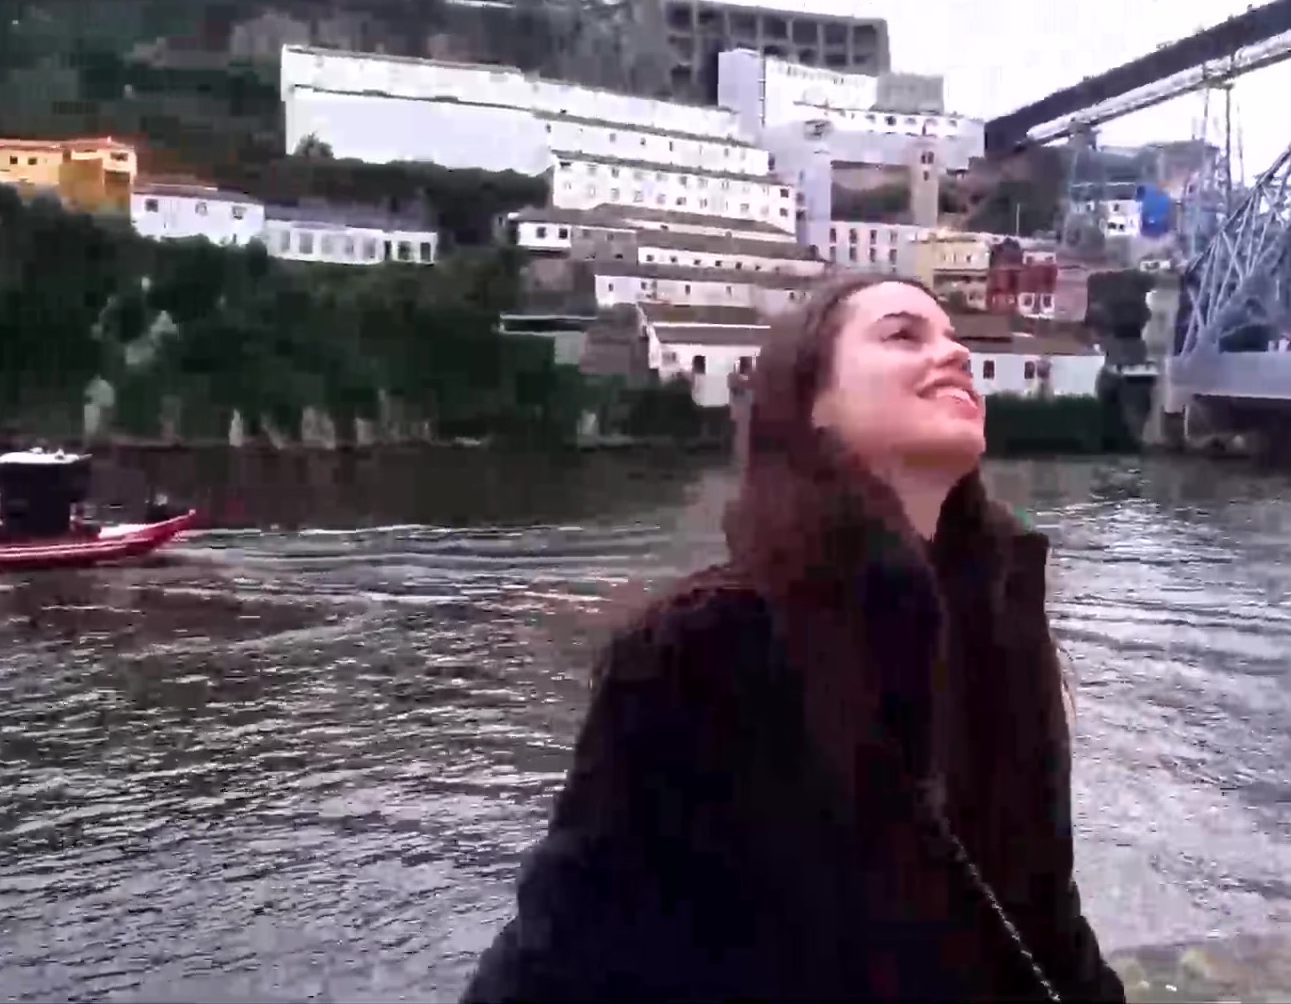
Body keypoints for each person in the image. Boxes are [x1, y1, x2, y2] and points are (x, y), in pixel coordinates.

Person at [463, 277, 1124, 1002]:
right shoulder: (698, 647)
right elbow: (564, 940)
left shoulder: (1003, 619)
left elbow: (1043, 914)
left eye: (953, 338)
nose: (956, 354)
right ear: (813, 407)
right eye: (904, 335)